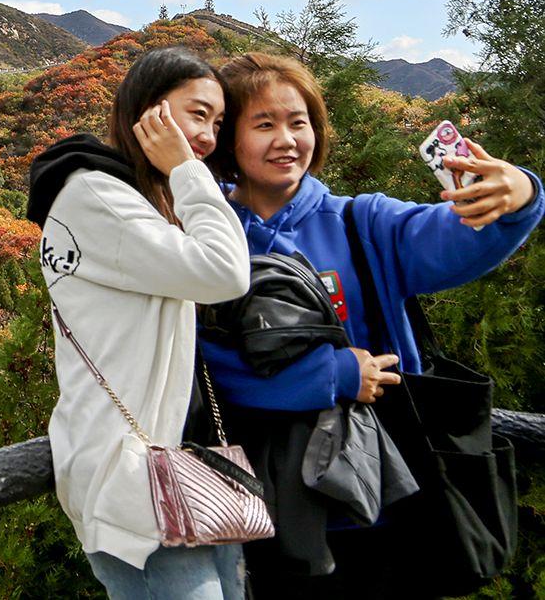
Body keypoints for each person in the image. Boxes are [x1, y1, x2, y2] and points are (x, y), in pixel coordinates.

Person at [202, 52, 544, 594]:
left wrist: (519, 195)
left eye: (299, 122)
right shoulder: (205, 239)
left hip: (383, 492)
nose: (287, 139)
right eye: (263, 124)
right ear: (228, 140)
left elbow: (450, 235)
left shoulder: (361, 222)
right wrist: (331, 377)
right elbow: (207, 361)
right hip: (265, 501)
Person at [28, 47, 251, 599]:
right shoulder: (95, 195)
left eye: (218, 124)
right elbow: (225, 272)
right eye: (197, 114)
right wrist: (188, 172)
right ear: (149, 113)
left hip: (188, 471)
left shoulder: (144, 199)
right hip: (134, 485)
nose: (207, 135)